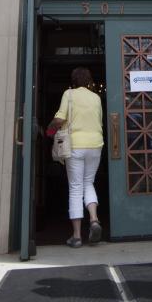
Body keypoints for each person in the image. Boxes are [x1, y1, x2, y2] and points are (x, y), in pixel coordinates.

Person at [48, 67, 103, 248]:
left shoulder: (69, 94)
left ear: (73, 81)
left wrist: (49, 129)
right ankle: (94, 220)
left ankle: (77, 236)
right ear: (88, 81)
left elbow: (60, 119)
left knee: (76, 188)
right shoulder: (96, 98)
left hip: (75, 146)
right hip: (95, 145)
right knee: (88, 183)